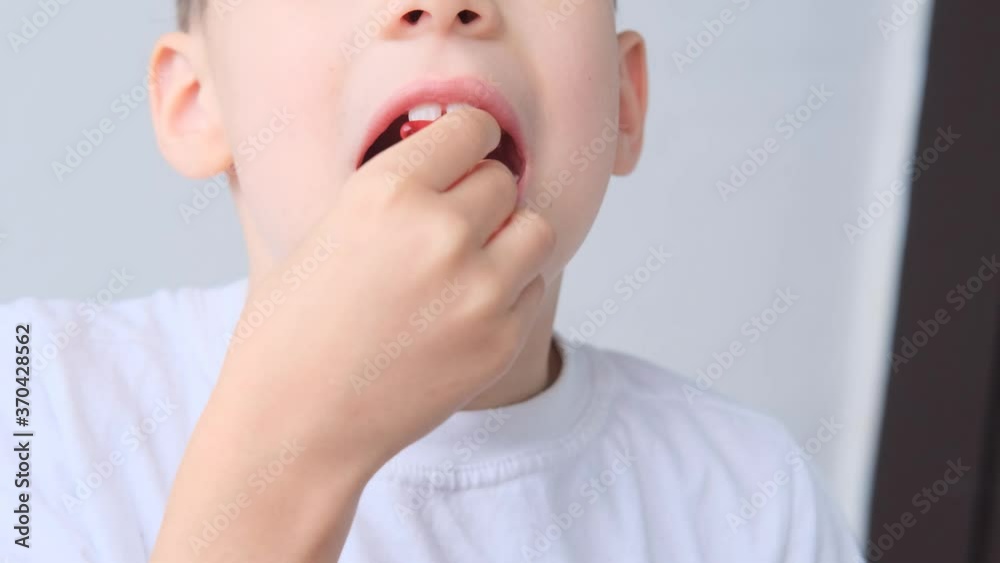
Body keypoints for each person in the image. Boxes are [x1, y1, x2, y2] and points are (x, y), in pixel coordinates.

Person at [2, 0, 862, 561]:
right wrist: (295, 452)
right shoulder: (37, 402)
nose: (447, 5)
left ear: (625, 104)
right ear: (198, 102)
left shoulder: (750, 498)